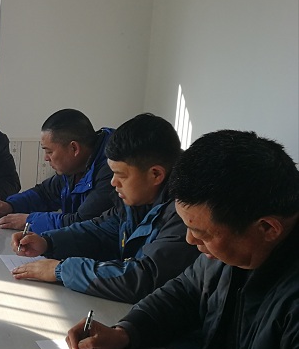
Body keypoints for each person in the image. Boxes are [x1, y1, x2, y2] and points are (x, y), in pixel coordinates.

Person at [61, 130, 299, 349]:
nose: (190, 240)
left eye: (201, 233)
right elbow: (186, 292)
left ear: (267, 228)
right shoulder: (238, 244)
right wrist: (126, 331)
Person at [13, 113, 199, 303]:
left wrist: (61, 270)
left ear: (156, 174)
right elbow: (100, 231)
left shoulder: (187, 214)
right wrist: (48, 242)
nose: (113, 182)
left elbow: (144, 278)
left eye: (121, 175)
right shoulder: (136, 199)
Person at [0, 108, 114, 232]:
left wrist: (29, 221)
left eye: (49, 152)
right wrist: (11, 205)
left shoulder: (112, 171)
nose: (46, 158)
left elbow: (83, 222)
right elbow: (44, 194)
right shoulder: (74, 167)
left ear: (74, 148)